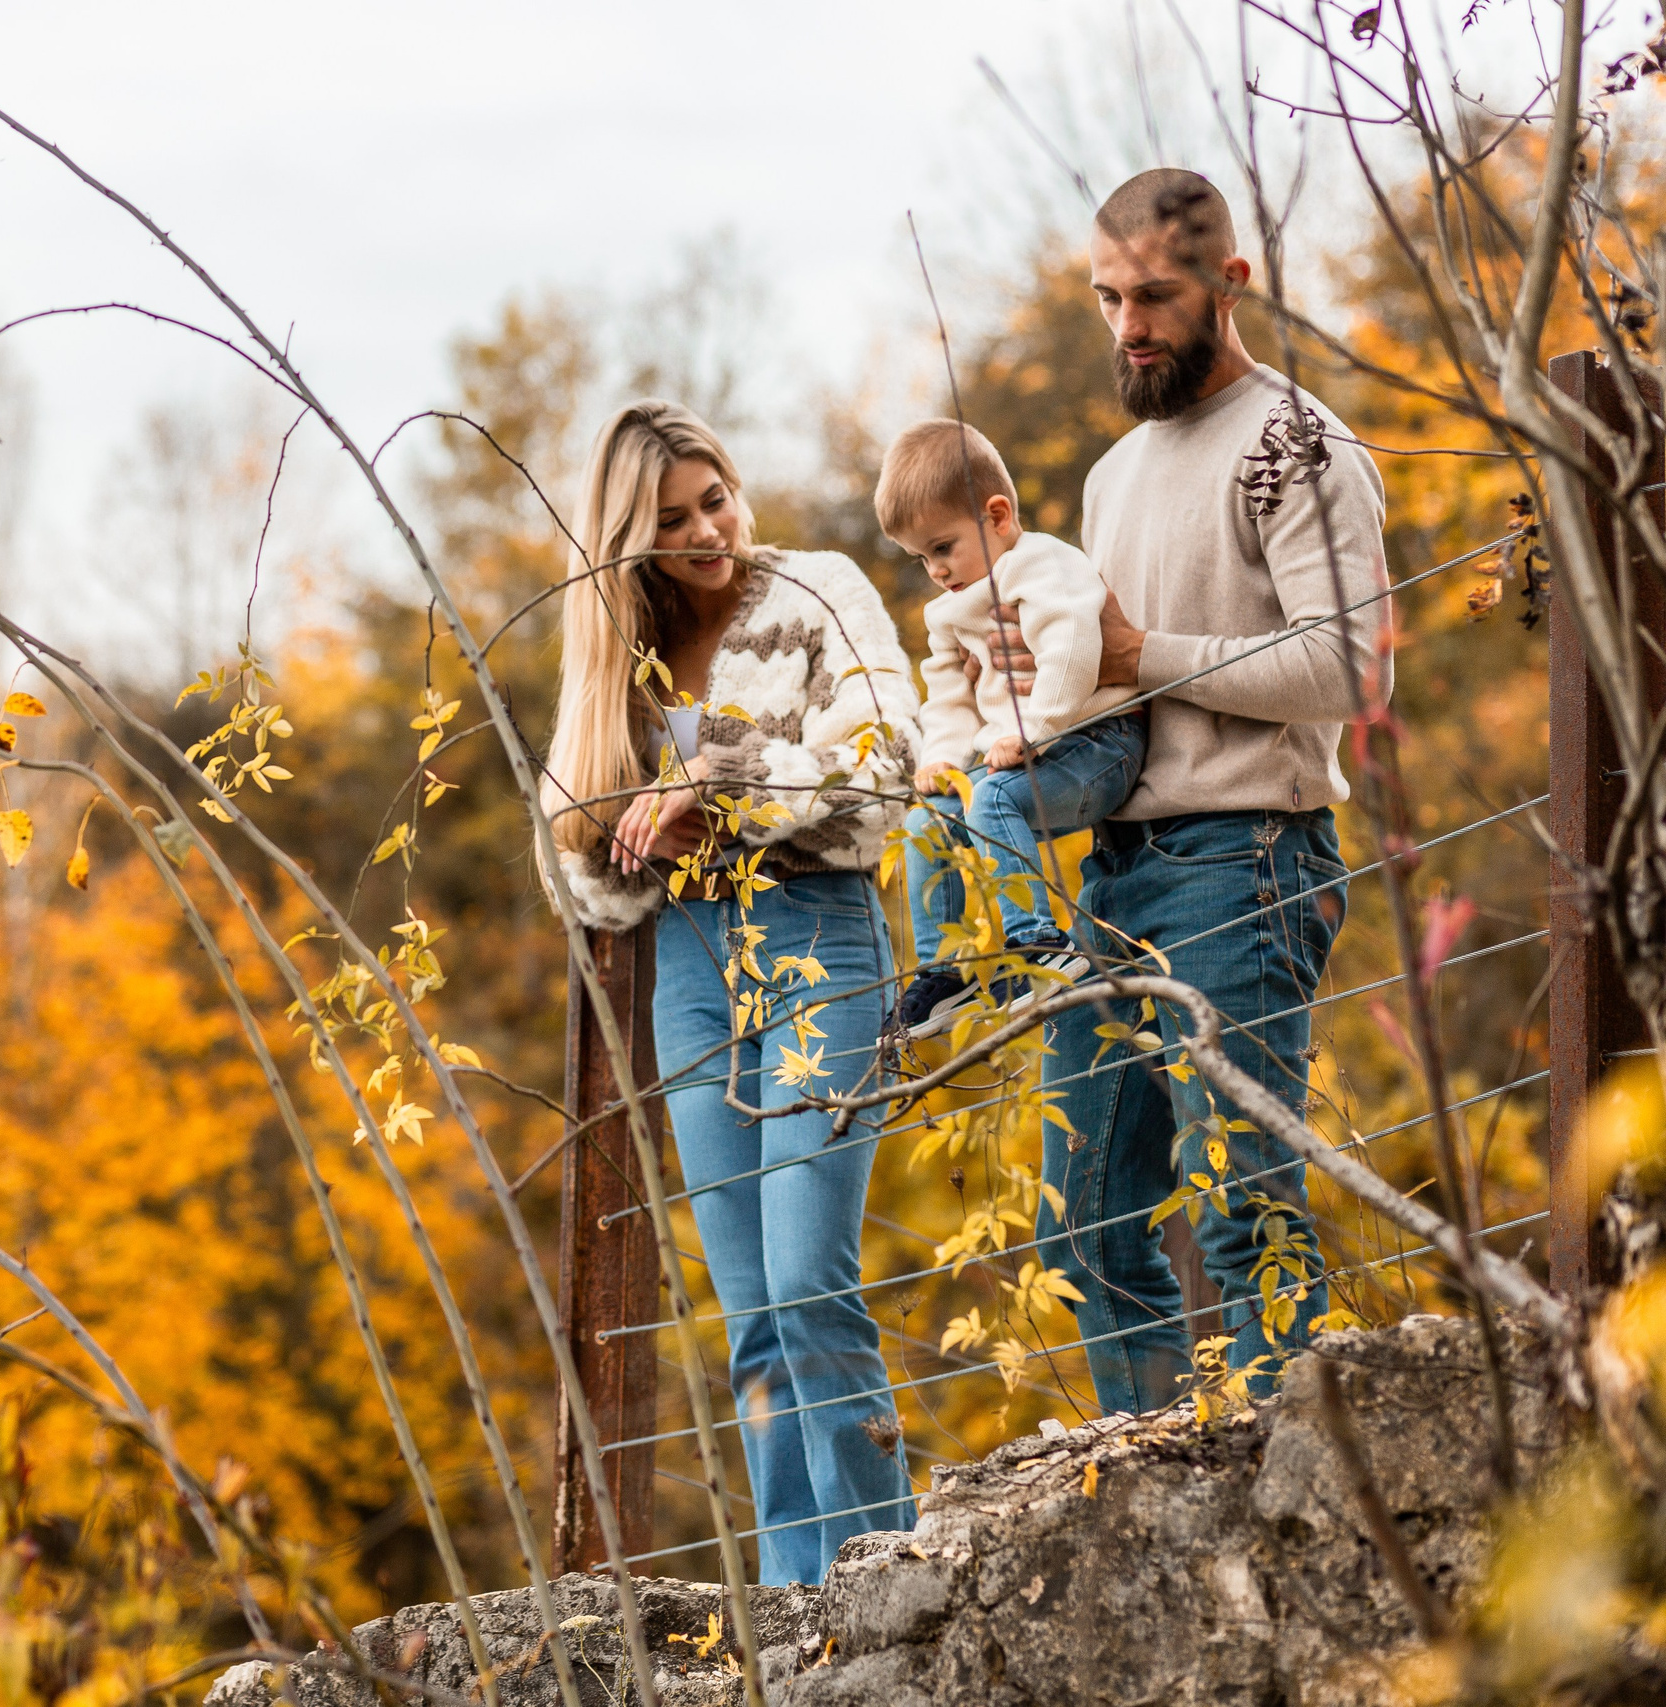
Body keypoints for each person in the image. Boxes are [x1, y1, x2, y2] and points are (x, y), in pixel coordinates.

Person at [984, 169, 1390, 1413]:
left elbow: (1349, 667)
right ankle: (1154, 1484)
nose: (1127, 326)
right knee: (1086, 1234)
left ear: (1230, 281)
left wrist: (1136, 655)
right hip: (1112, 874)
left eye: (1152, 295)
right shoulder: (1109, 477)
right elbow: (1108, 670)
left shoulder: (1298, 444)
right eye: (1107, 298)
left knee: (1239, 1211)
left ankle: (1296, 1499)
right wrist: (1033, 685)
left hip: (1247, 863)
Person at [544, 401, 922, 1582]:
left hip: (820, 943)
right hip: (694, 970)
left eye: (716, 498)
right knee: (752, 1319)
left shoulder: (815, 592)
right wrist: (624, 839)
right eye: (672, 519)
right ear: (625, 541)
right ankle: (796, 1601)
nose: (711, 529)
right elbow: (578, 867)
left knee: (812, 1285)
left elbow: (892, 768)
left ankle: (878, 1585)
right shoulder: (621, 657)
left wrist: (720, 786)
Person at [875, 418, 1148, 1039]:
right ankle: (942, 973)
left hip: (1098, 741)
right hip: (1024, 755)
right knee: (929, 819)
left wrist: (1032, 729)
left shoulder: (1045, 566)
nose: (936, 572)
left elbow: (1073, 650)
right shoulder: (947, 607)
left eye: (943, 548)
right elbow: (946, 691)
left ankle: (1039, 945)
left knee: (992, 797)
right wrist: (943, 756)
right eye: (921, 558)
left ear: (997, 516)